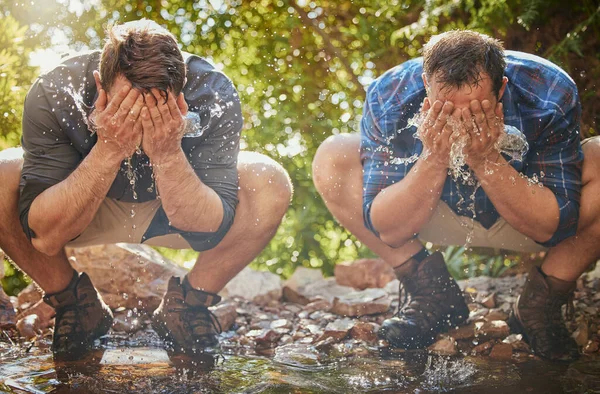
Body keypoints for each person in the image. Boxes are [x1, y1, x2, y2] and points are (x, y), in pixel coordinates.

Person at [0, 20, 292, 361]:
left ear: (181, 94)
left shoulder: (213, 91)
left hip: (174, 204)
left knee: (268, 179)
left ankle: (189, 306)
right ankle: (74, 305)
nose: (139, 119)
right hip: (85, 204)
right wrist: (108, 148)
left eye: (156, 108)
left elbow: (208, 230)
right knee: (3, 173)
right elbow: (46, 237)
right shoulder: (57, 90)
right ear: (100, 83)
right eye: (126, 106)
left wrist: (167, 152)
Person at [313, 30, 600, 361]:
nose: (462, 121)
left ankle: (540, 306)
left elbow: (550, 228)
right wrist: (434, 157)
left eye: (476, 108)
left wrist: (486, 159)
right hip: (428, 208)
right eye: (446, 108)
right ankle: (432, 293)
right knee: (334, 155)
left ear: (502, 88)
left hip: (524, 209)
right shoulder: (388, 94)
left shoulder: (548, 90)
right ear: (425, 84)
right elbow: (389, 230)